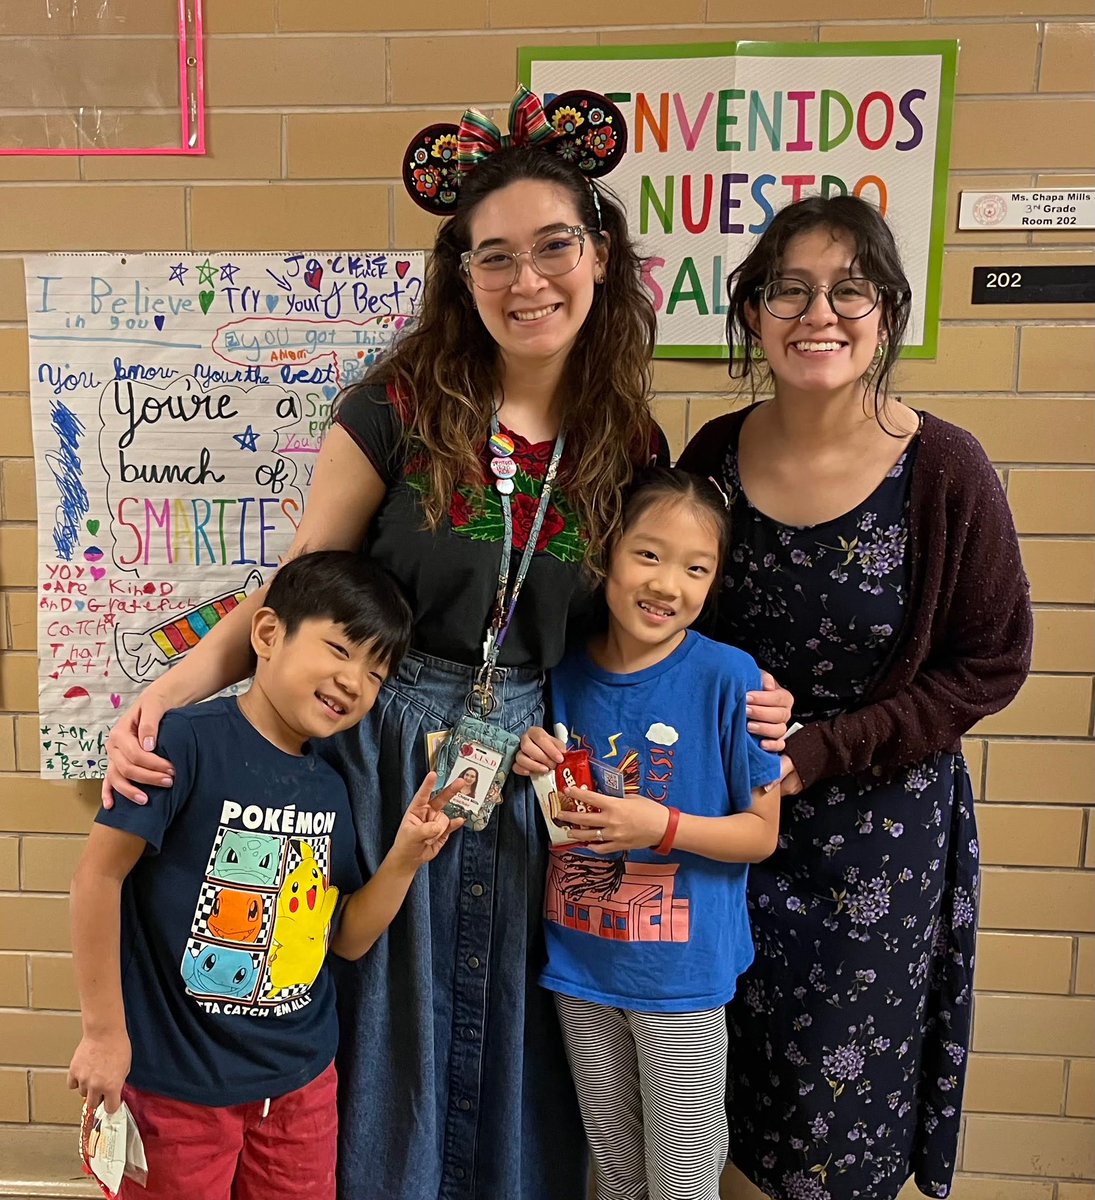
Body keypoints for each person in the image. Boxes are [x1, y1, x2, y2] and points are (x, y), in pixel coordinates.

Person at [99, 88, 792, 1199]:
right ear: (460, 275)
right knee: (375, 1009)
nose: (530, 280)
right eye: (495, 256)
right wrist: (167, 700)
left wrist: (744, 700)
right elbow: (297, 589)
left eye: (555, 245)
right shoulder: (399, 403)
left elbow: (651, 618)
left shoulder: (629, 433)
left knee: (517, 1022)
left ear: (600, 255)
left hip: (532, 765)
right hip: (376, 748)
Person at [677, 194, 1033, 1200]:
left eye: (848, 288)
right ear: (752, 311)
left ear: (887, 312)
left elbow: (991, 661)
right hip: (721, 830)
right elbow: (659, 621)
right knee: (715, 1101)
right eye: (788, 287)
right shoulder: (712, 456)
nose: (817, 312)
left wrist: (823, 752)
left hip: (876, 852)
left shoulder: (945, 468)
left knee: (835, 1127)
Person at [67, 551, 462, 1200]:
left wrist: (406, 857)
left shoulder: (333, 787)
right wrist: (104, 1035)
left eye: (375, 673)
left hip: (300, 1089)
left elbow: (347, 939)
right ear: (268, 634)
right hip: (176, 1087)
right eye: (338, 648)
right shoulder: (180, 744)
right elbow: (95, 881)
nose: (352, 681)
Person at [516, 468, 784, 1200]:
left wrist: (658, 825)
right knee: (616, 1170)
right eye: (648, 556)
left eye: (696, 568)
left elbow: (760, 834)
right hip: (580, 963)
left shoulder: (730, 679)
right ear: (605, 554)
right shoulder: (556, 669)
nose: (668, 584)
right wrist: (526, 753)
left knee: (683, 1178)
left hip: (682, 978)